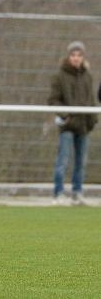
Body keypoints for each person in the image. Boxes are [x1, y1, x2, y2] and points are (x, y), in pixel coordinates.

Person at [48, 41, 96, 206]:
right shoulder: (59, 76)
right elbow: (53, 100)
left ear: (83, 57)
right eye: (73, 55)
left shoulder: (87, 76)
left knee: (81, 162)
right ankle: (58, 193)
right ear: (68, 57)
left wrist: (93, 119)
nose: (76, 58)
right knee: (63, 160)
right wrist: (65, 115)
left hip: (84, 125)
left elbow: (91, 100)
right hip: (68, 125)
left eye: (79, 55)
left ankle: (77, 193)